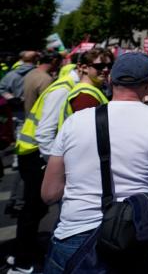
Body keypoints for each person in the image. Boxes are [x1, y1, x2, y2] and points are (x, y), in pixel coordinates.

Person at [40, 52, 148, 273]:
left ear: (111, 80)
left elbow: (49, 193)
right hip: (131, 236)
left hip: (74, 234)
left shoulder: (74, 121)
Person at [6, 53, 68, 274]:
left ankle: (20, 253)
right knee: (33, 208)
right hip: (36, 151)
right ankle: (22, 260)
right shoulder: (54, 84)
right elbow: (45, 130)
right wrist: (52, 165)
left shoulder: (32, 75)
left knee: (31, 207)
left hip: (27, 144)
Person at [61, 49, 114, 125]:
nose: (106, 69)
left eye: (109, 66)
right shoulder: (84, 96)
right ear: (84, 68)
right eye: (100, 66)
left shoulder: (91, 91)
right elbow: (87, 132)